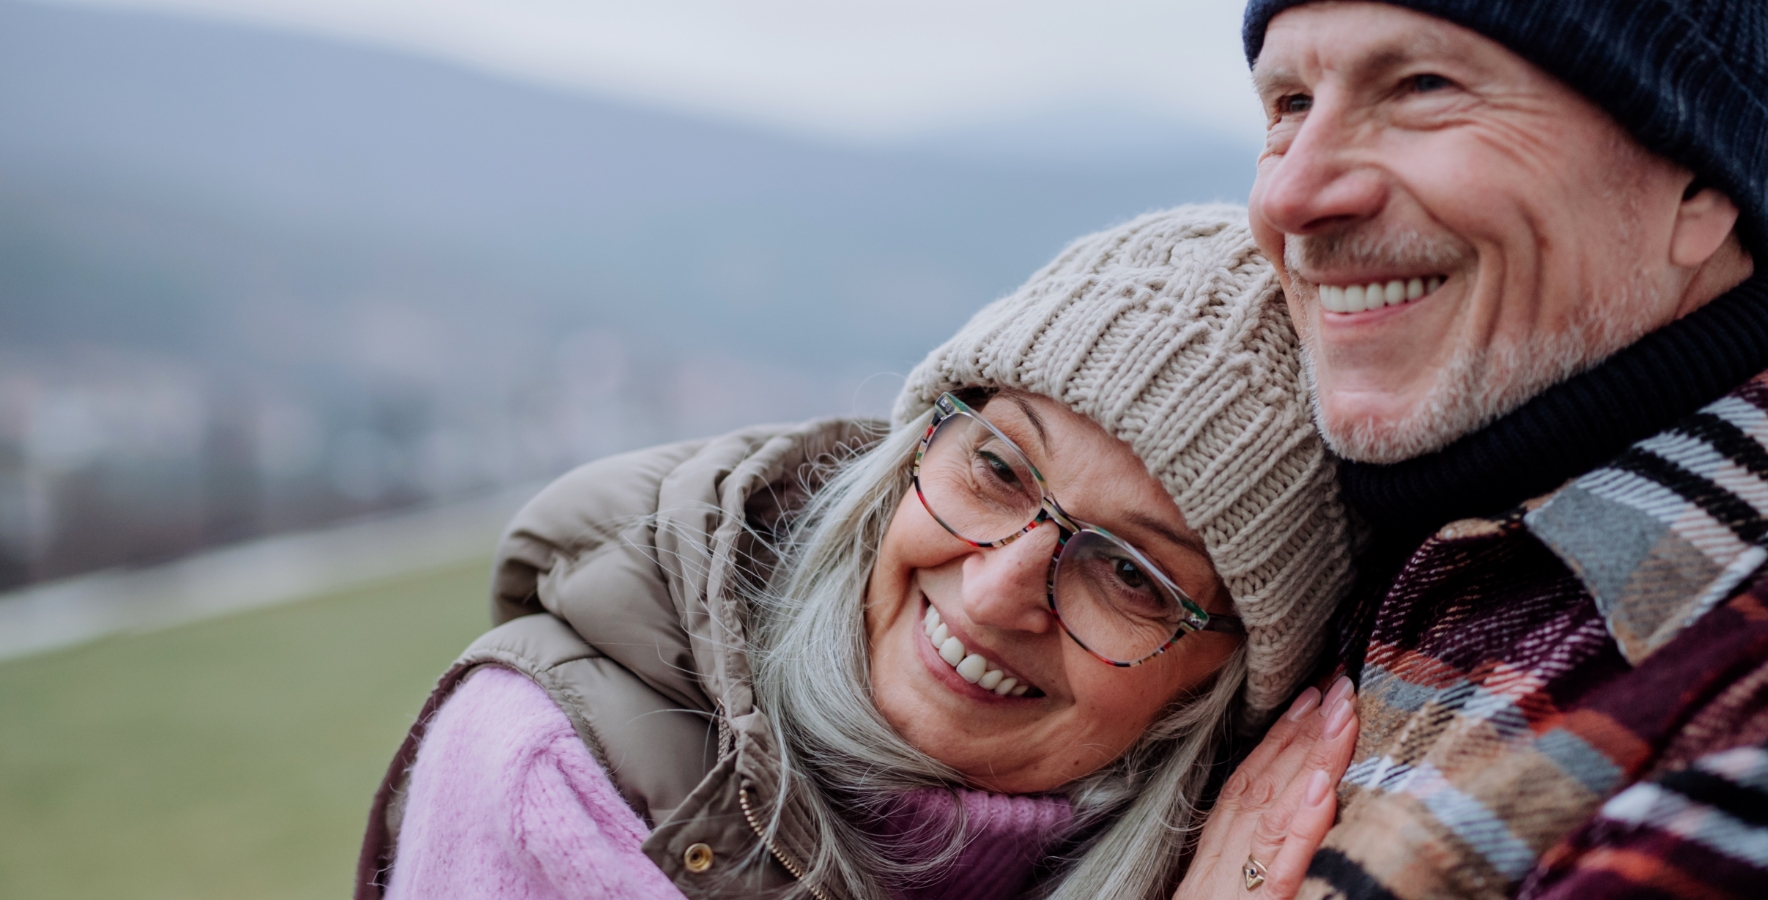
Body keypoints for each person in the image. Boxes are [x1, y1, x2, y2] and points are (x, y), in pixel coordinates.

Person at [1217, 1, 1768, 898]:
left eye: (1424, 86)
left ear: (1696, 184)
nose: (1291, 196)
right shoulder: (1370, 530)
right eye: (1286, 104)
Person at [353, 205, 1362, 900]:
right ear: (911, 449)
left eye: (1127, 574)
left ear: (1220, 681)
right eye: (1000, 470)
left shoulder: (1224, 837)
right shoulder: (553, 772)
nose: (999, 583)